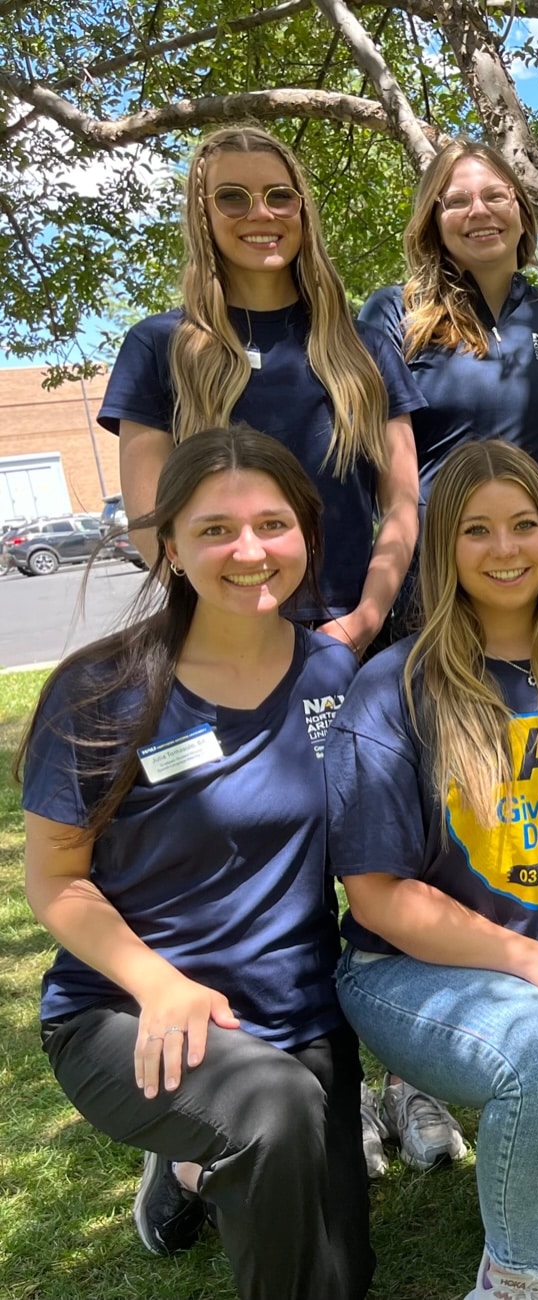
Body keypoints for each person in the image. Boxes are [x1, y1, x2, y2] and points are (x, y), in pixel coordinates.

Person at [20, 426, 371, 1300]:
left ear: (306, 535)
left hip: (298, 1019)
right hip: (128, 1013)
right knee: (270, 1115)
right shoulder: (106, 690)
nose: (249, 550)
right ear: (170, 547)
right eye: (216, 530)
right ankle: (195, 1148)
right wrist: (157, 985)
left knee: (344, 1271)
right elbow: (55, 877)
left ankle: (189, 1169)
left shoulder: (336, 672)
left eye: (272, 524)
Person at [324, 440, 538, 1299]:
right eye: (476, 531)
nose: (504, 549)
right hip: (409, 973)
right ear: (445, 550)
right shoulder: (394, 688)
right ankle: (509, 1280)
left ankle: (526, 1115)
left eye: (523, 525)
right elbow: (378, 895)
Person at [100, 125, 423, 657]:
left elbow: (402, 503)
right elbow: (150, 523)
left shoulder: (364, 346)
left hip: (356, 640)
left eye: (279, 196)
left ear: (301, 210)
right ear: (201, 213)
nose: (261, 213)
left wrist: (361, 623)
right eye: (232, 197)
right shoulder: (158, 348)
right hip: (223, 641)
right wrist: (230, 626)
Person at [360, 139, 538, 637]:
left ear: (520, 209)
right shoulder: (393, 317)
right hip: (442, 594)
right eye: (458, 201)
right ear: (433, 219)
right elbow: (380, 474)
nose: (479, 212)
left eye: (495, 196)